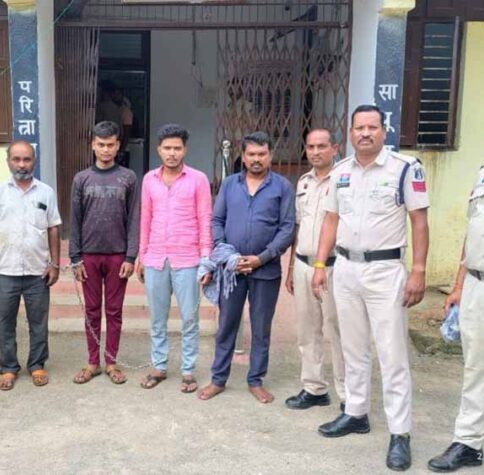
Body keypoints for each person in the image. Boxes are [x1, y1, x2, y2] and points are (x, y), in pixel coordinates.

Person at [311, 104, 430, 471]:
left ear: (383, 131)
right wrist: (320, 265)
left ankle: (400, 432)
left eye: (372, 127)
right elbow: (331, 220)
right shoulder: (341, 172)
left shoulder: (404, 168)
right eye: (359, 127)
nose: (365, 133)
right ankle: (356, 412)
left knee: (392, 354)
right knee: (353, 347)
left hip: (385, 271)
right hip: (346, 268)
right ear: (350, 133)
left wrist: (419, 271)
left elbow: (419, 221)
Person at [428, 99, 484, 473]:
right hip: (477, 286)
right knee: (476, 368)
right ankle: (468, 443)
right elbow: (472, 232)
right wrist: (458, 286)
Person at [198, 131, 295, 404]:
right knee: (226, 325)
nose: (256, 159)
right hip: (231, 271)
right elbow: (217, 220)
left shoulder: (282, 187)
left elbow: (287, 228)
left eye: (262, 154)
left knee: (261, 328)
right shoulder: (230, 185)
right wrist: (227, 254)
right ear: (243, 156)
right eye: (251, 154)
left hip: (266, 270)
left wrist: (261, 258)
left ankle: (255, 381)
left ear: (270, 155)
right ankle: (218, 379)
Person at [136, 124, 212, 393]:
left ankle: (188, 371)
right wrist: (142, 255)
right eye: (167, 148)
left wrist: (206, 258)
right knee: (158, 318)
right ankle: (159, 366)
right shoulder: (149, 180)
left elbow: (205, 219)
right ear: (159, 150)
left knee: (189, 318)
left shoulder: (198, 179)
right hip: (155, 258)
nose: (172, 153)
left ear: (184, 150)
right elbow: (145, 219)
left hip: (188, 259)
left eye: (177, 148)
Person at [0, 141, 61, 391]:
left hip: (38, 271)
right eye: (16, 159)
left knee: (38, 321)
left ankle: (37, 364)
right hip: (6, 271)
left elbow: (53, 228)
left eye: (26, 159)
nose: (21, 165)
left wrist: (54, 263)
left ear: (34, 161)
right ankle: (9, 367)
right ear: (8, 161)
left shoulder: (46, 192)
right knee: (5, 321)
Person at [69, 121, 139, 385]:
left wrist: (130, 256)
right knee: (91, 310)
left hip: (117, 255)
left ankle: (111, 362)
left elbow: (134, 219)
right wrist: (75, 257)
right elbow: (74, 219)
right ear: (93, 145)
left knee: (114, 311)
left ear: (118, 145)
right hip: (89, 255)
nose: (106, 150)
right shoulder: (81, 179)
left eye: (110, 145)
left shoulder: (128, 178)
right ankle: (92, 362)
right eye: (101, 144)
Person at [284, 128, 346, 410]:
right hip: (303, 264)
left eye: (322, 146)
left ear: (335, 148)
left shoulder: (345, 180)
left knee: (339, 331)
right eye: (310, 147)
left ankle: (348, 396)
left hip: (334, 267)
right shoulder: (304, 182)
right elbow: (299, 227)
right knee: (307, 331)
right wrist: (290, 267)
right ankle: (314, 387)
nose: (316, 152)